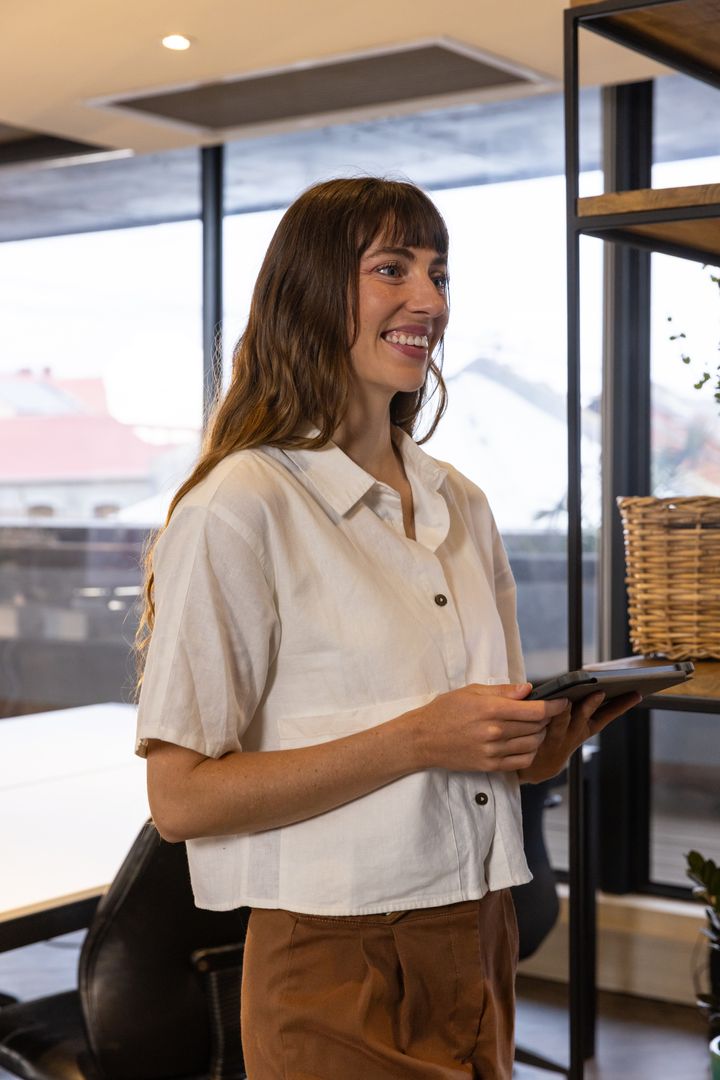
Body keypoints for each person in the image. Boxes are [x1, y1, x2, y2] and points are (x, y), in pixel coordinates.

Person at [135, 177, 639, 1079]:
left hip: (482, 934)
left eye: (440, 273)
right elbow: (182, 801)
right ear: (313, 291)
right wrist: (419, 738)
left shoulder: (462, 504)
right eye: (392, 269)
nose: (431, 301)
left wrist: (541, 742)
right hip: (334, 961)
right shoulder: (241, 507)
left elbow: (475, 757)